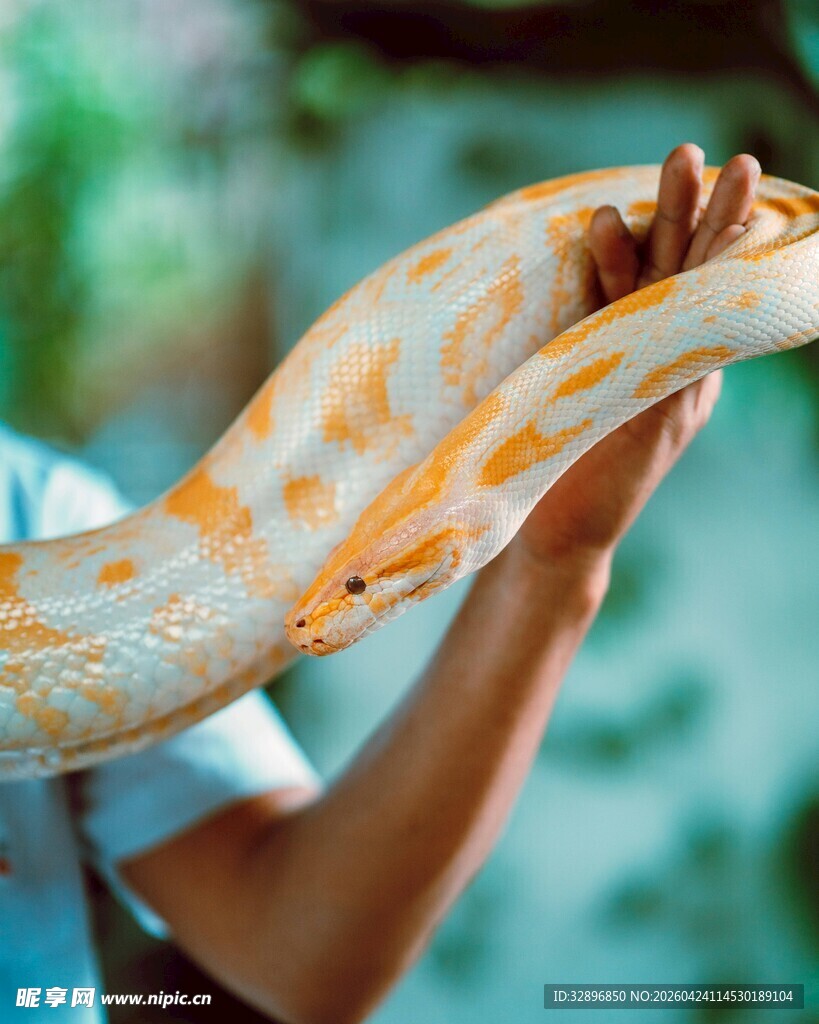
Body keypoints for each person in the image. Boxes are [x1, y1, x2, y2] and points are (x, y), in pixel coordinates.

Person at [2, 144, 759, 1024]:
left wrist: (558, 555)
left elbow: (304, 959)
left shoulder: (41, 515)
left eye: (353, 585)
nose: (316, 619)